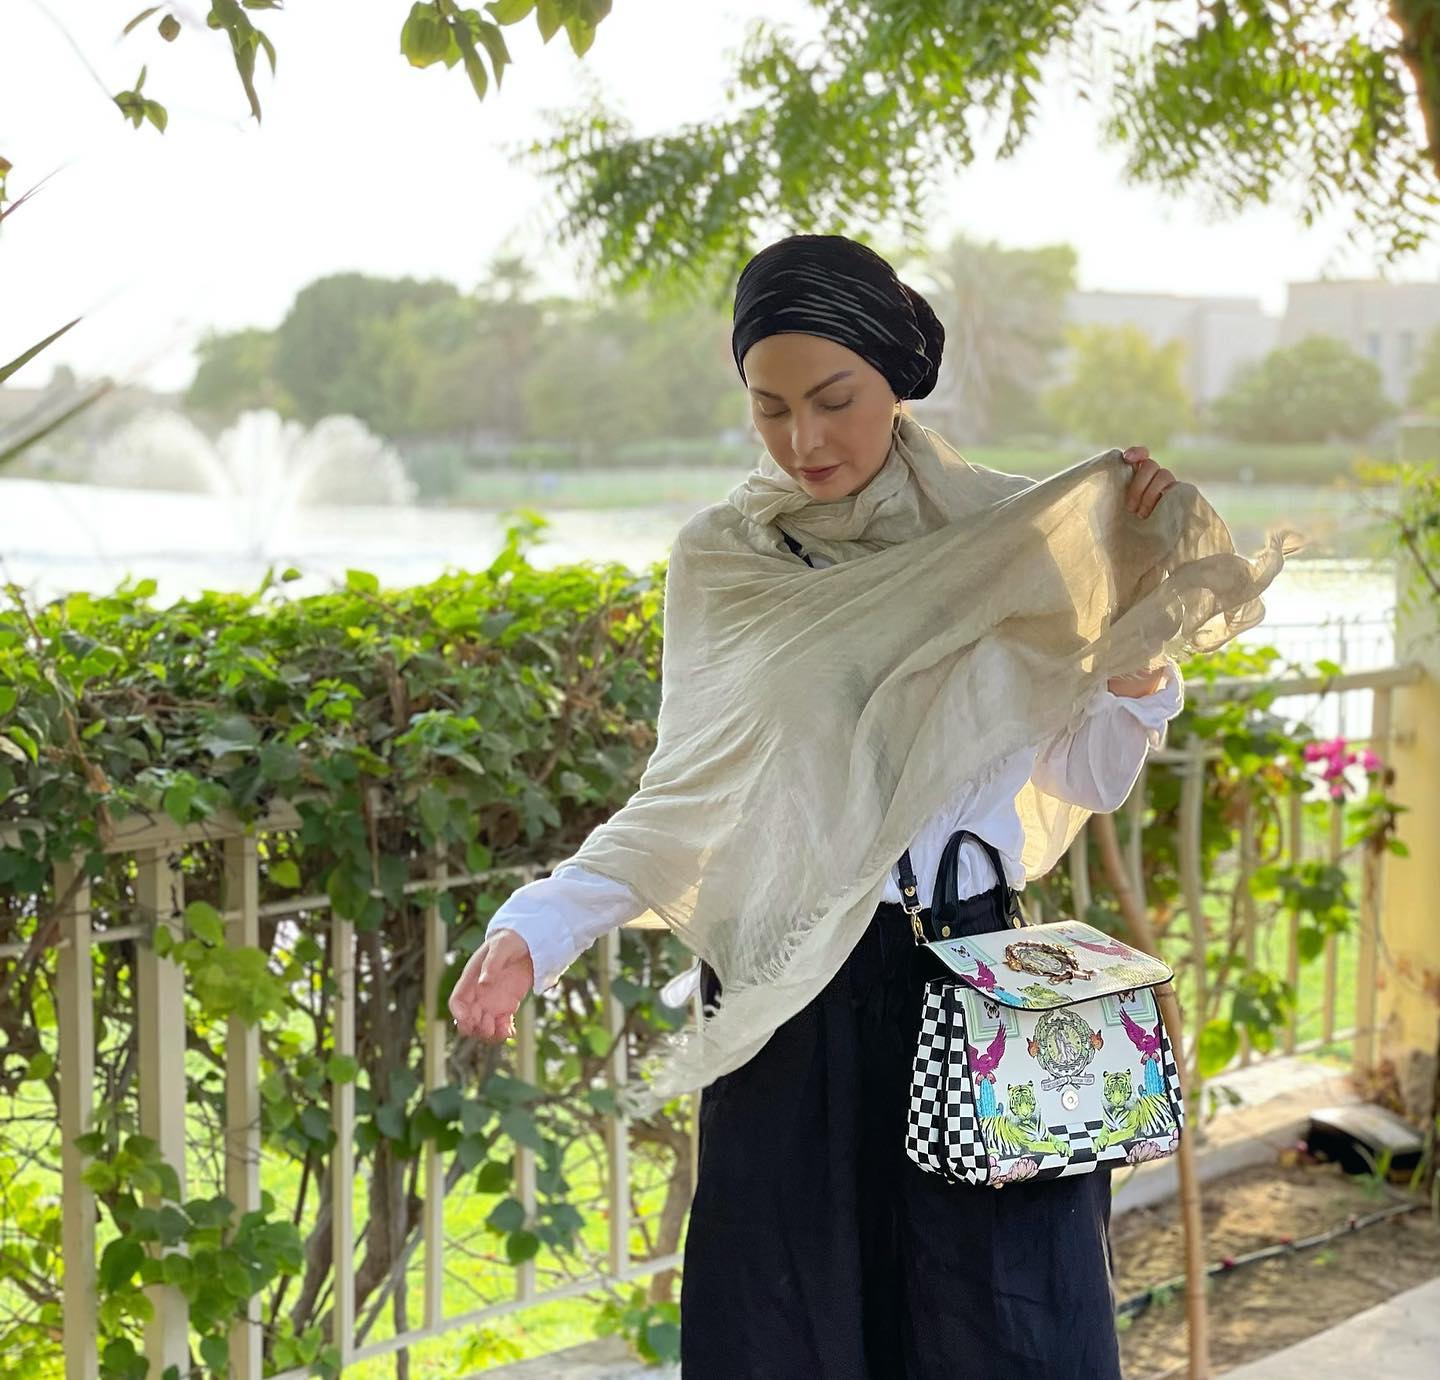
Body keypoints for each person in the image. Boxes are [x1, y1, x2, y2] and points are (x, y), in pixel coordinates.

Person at [449, 234, 1282, 1378]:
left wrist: (1135, 638)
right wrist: (533, 931)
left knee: (1004, 1330)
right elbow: (684, 794)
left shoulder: (1006, 542)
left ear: (894, 377)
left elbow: (1087, 778)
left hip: (977, 982)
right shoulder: (726, 560)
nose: (805, 440)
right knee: (792, 1328)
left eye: (833, 400)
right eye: (771, 408)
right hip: (792, 1001)